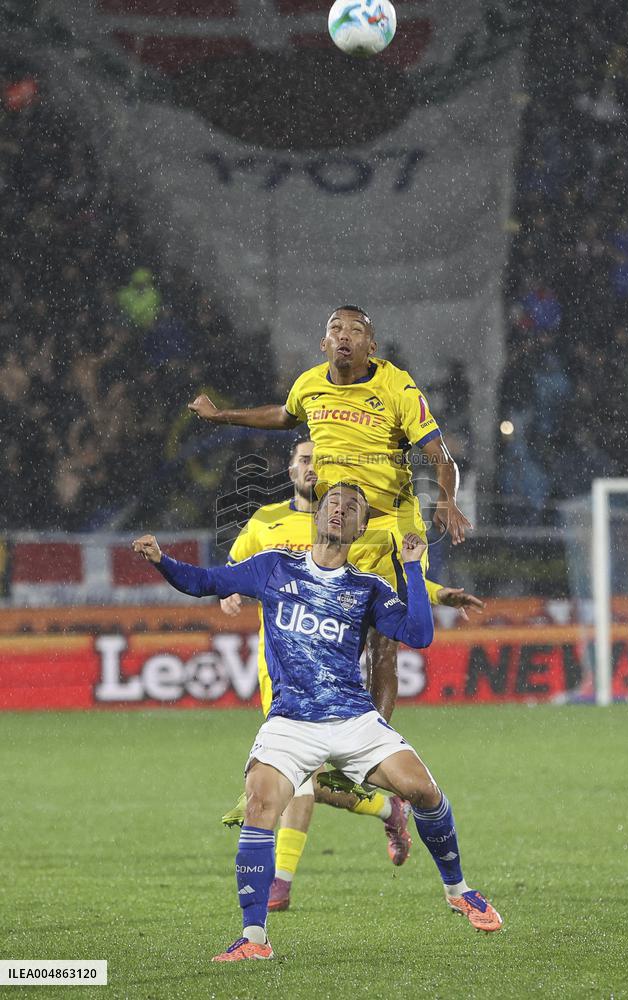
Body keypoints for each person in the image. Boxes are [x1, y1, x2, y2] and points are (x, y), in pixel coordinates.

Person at [132, 482, 502, 963]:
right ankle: (254, 938)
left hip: (353, 718)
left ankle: (458, 890)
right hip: (291, 721)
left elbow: (418, 633)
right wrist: (161, 558)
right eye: (332, 504)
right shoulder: (274, 568)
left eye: (351, 508)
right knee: (262, 803)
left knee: (425, 792)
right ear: (317, 515)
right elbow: (204, 582)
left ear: (360, 527)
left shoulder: (367, 588)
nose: (339, 511)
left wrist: (411, 568)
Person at [221, 436, 485, 912]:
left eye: (314, 460)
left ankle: (278, 882)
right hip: (278, 671)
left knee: (303, 781)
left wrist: (441, 594)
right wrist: (227, 590)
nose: (308, 467)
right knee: (315, 781)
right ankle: (387, 807)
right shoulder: (265, 522)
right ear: (289, 469)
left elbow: (388, 581)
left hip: (334, 665)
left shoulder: (345, 522)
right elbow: (235, 566)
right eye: (301, 459)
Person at [187, 304, 472, 553]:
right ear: (324, 343)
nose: (344, 335)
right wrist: (219, 415)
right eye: (335, 328)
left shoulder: (398, 387)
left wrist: (447, 500)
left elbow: (441, 456)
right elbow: (283, 416)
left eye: (356, 330)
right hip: (335, 532)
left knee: (397, 615)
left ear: (372, 348)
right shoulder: (309, 384)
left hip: (390, 528)